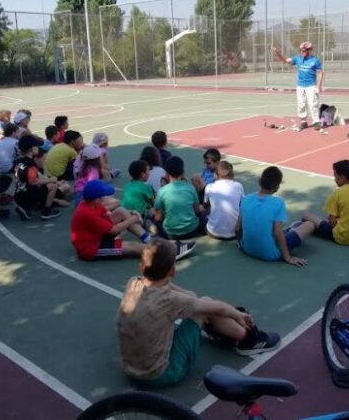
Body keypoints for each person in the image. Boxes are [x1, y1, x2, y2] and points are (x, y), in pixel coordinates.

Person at [116, 239, 280, 388]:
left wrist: (191, 297)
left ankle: (217, 328)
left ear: (141, 267)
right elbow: (216, 308)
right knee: (204, 307)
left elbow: (174, 290)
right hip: (161, 374)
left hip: (131, 369)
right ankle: (248, 339)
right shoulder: (169, 300)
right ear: (172, 272)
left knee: (195, 303)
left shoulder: (134, 282)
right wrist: (237, 314)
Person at [71, 180, 184, 261]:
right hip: (91, 247)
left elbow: (107, 213)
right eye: (104, 196)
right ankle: (166, 253)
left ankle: (149, 240)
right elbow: (114, 230)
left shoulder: (90, 204)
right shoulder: (88, 213)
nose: (106, 197)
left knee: (121, 211)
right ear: (97, 199)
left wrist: (131, 212)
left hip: (96, 235)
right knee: (133, 246)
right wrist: (133, 218)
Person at [236, 166, 316, 267]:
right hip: (270, 254)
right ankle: (293, 229)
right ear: (277, 187)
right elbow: (278, 234)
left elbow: (237, 228)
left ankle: (292, 228)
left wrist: (240, 243)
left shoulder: (246, 199)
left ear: (260, 181)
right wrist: (288, 258)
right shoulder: (278, 203)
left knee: (290, 227)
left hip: (246, 249)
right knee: (309, 225)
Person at [302, 159, 349, 246]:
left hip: (342, 238)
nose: (334, 179)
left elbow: (332, 223)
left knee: (306, 216)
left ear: (342, 177)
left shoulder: (338, 193)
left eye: (335, 176)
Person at [272, 41, 324, 131]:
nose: (302, 52)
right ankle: (303, 122)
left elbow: (320, 73)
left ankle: (316, 122)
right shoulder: (298, 58)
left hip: (311, 86)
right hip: (300, 86)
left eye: (304, 51)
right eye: (301, 51)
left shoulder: (315, 61)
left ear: (309, 51)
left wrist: (318, 86)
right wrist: (278, 53)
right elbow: (285, 61)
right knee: (301, 104)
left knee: (313, 104)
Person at [154, 156, 204, 240]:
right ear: (183, 172)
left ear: (167, 172)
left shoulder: (161, 191)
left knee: (156, 221)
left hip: (170, 233)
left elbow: (158, 217)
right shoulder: (190, 188)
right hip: (192, 231)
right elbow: (197, 211)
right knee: (204, 214)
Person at [13, 135, 61, 220]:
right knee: (53, 186)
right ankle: (47, 211)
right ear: (31, 149)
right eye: (36, 146)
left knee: (43, 185)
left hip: (18, 195)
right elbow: (33, 181)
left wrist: (46, 180)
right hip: (27, 196)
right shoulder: (30, 163)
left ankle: (24, 208)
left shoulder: (18, 161)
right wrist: (51, 180)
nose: (38, 148)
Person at [204, 161, 244, 240]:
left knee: (203, 214)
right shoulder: (238, 186)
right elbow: (242, 204)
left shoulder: (209, 187)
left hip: (213, 232)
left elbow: (206, 205)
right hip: (234, 233)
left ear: (215, 175)